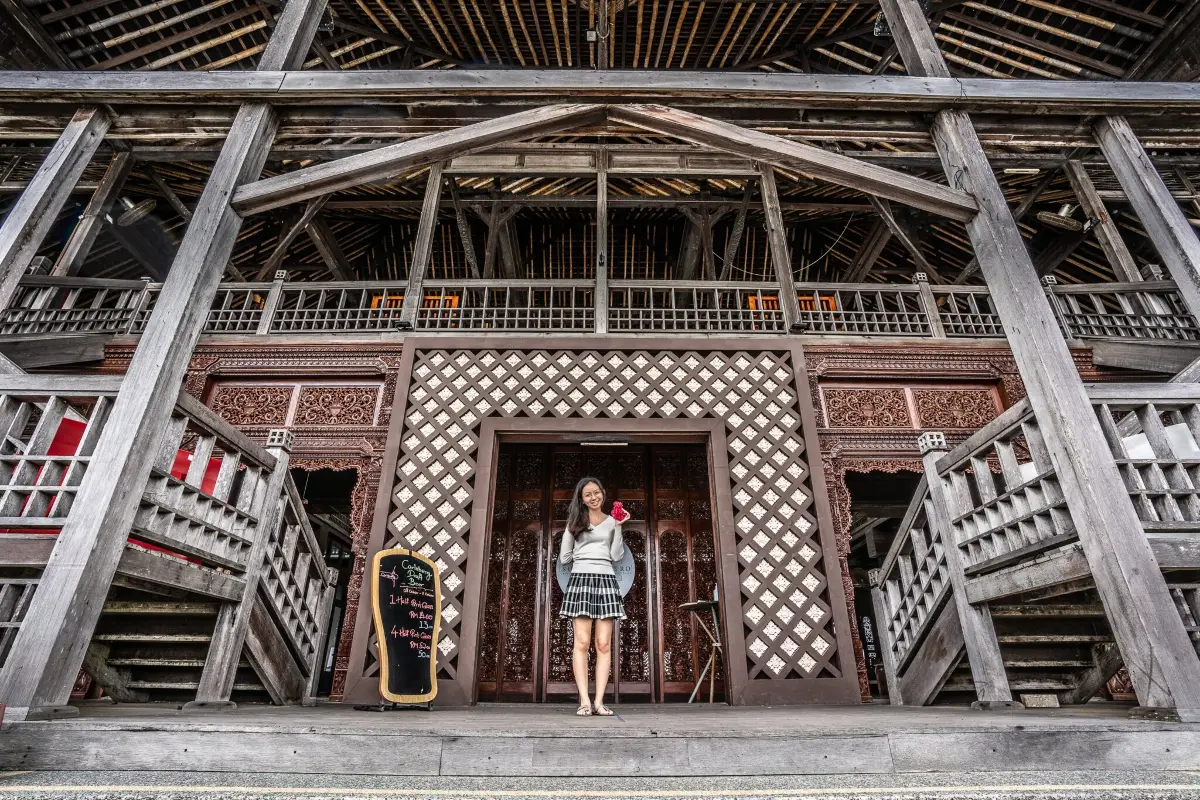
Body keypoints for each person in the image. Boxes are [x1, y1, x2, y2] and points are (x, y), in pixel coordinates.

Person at [558, 476, 625, 717]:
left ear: (603, 493)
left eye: (596, 492)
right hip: (581, 581)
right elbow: (565, 557)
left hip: (606, 580)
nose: (593, 497)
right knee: (582, 642)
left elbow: (616, 556)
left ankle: (599, 702)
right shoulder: (575, 521)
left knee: (604, 644)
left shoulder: (612, 522)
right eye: (588, 494)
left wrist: (618, 526)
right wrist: (583, 557)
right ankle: (584, 701)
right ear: (581, 499)